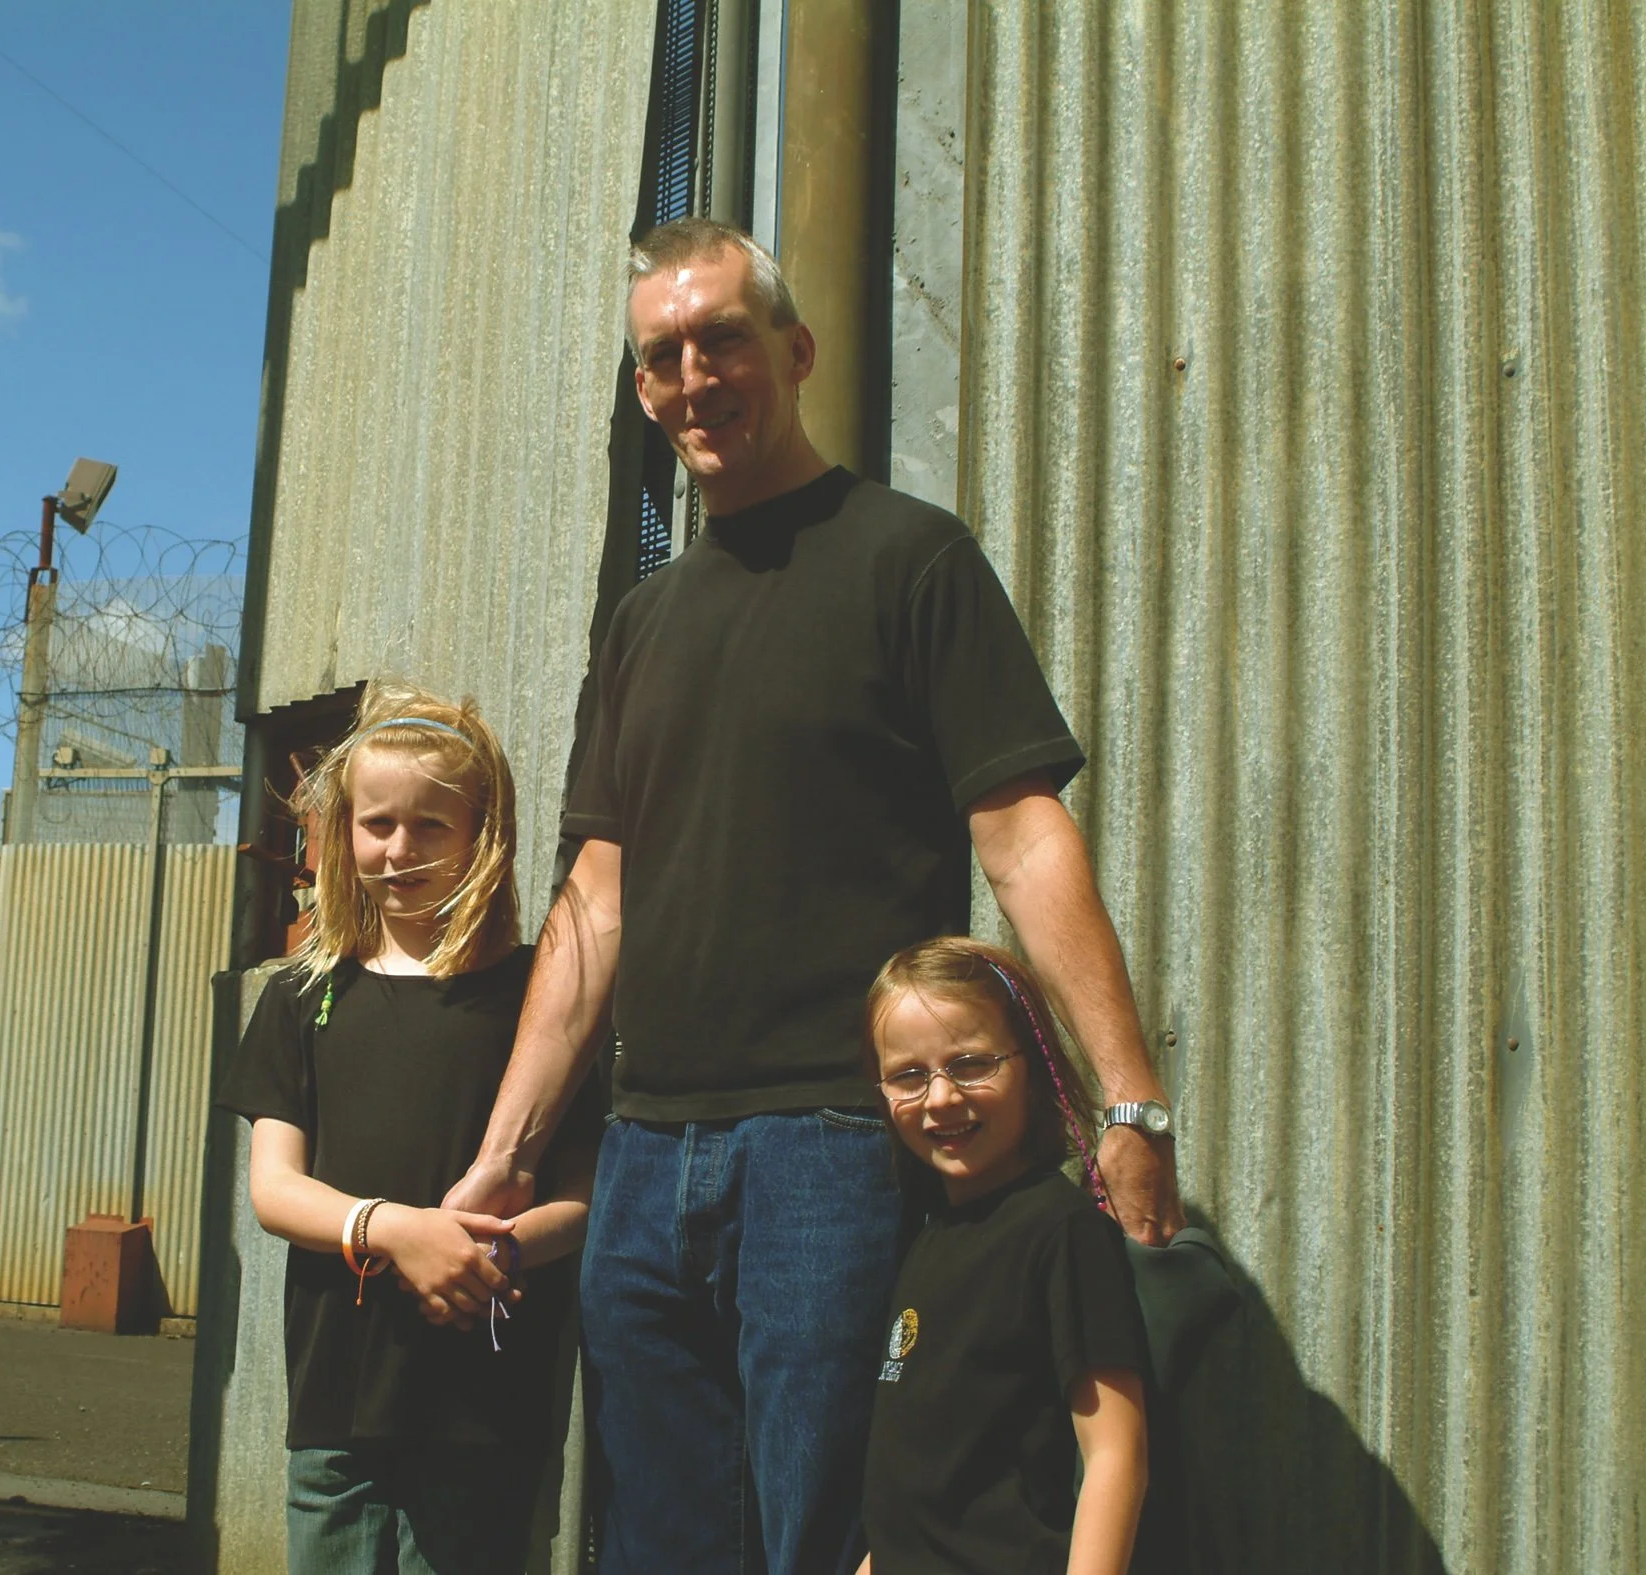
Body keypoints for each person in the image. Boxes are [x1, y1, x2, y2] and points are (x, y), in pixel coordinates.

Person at [440, 217, 1182, 1572]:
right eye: (658, 355)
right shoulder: (642, 622)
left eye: (720, 336)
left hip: (831, 1150)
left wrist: (1126, 1097)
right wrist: (506, 1147)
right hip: (645, 1154)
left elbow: (1019, 830)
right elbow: (594, 903)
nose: (689, 374)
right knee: (657, 1542)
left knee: (825, 1537)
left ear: (792, 350)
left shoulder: (908, 558)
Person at [217, 682, 601, 1575]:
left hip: (485, 1407)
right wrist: (397, 1228)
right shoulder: (301, 995)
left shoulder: (536, 1001)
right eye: (376, 823)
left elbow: (584, 1195)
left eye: (431, 826)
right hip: (335, 1398)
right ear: (342, 833)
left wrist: (484, 1257)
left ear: (483, 835)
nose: (398, 849)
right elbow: (276, 1188)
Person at [859, 937, 1150, 1575]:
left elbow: (1115, 1456)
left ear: (1033, 1067)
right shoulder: (926, 1240)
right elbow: (919, 1497)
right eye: (908, 1075)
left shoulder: (1062, 1232)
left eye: (970, 1064)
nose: (939, 1098)